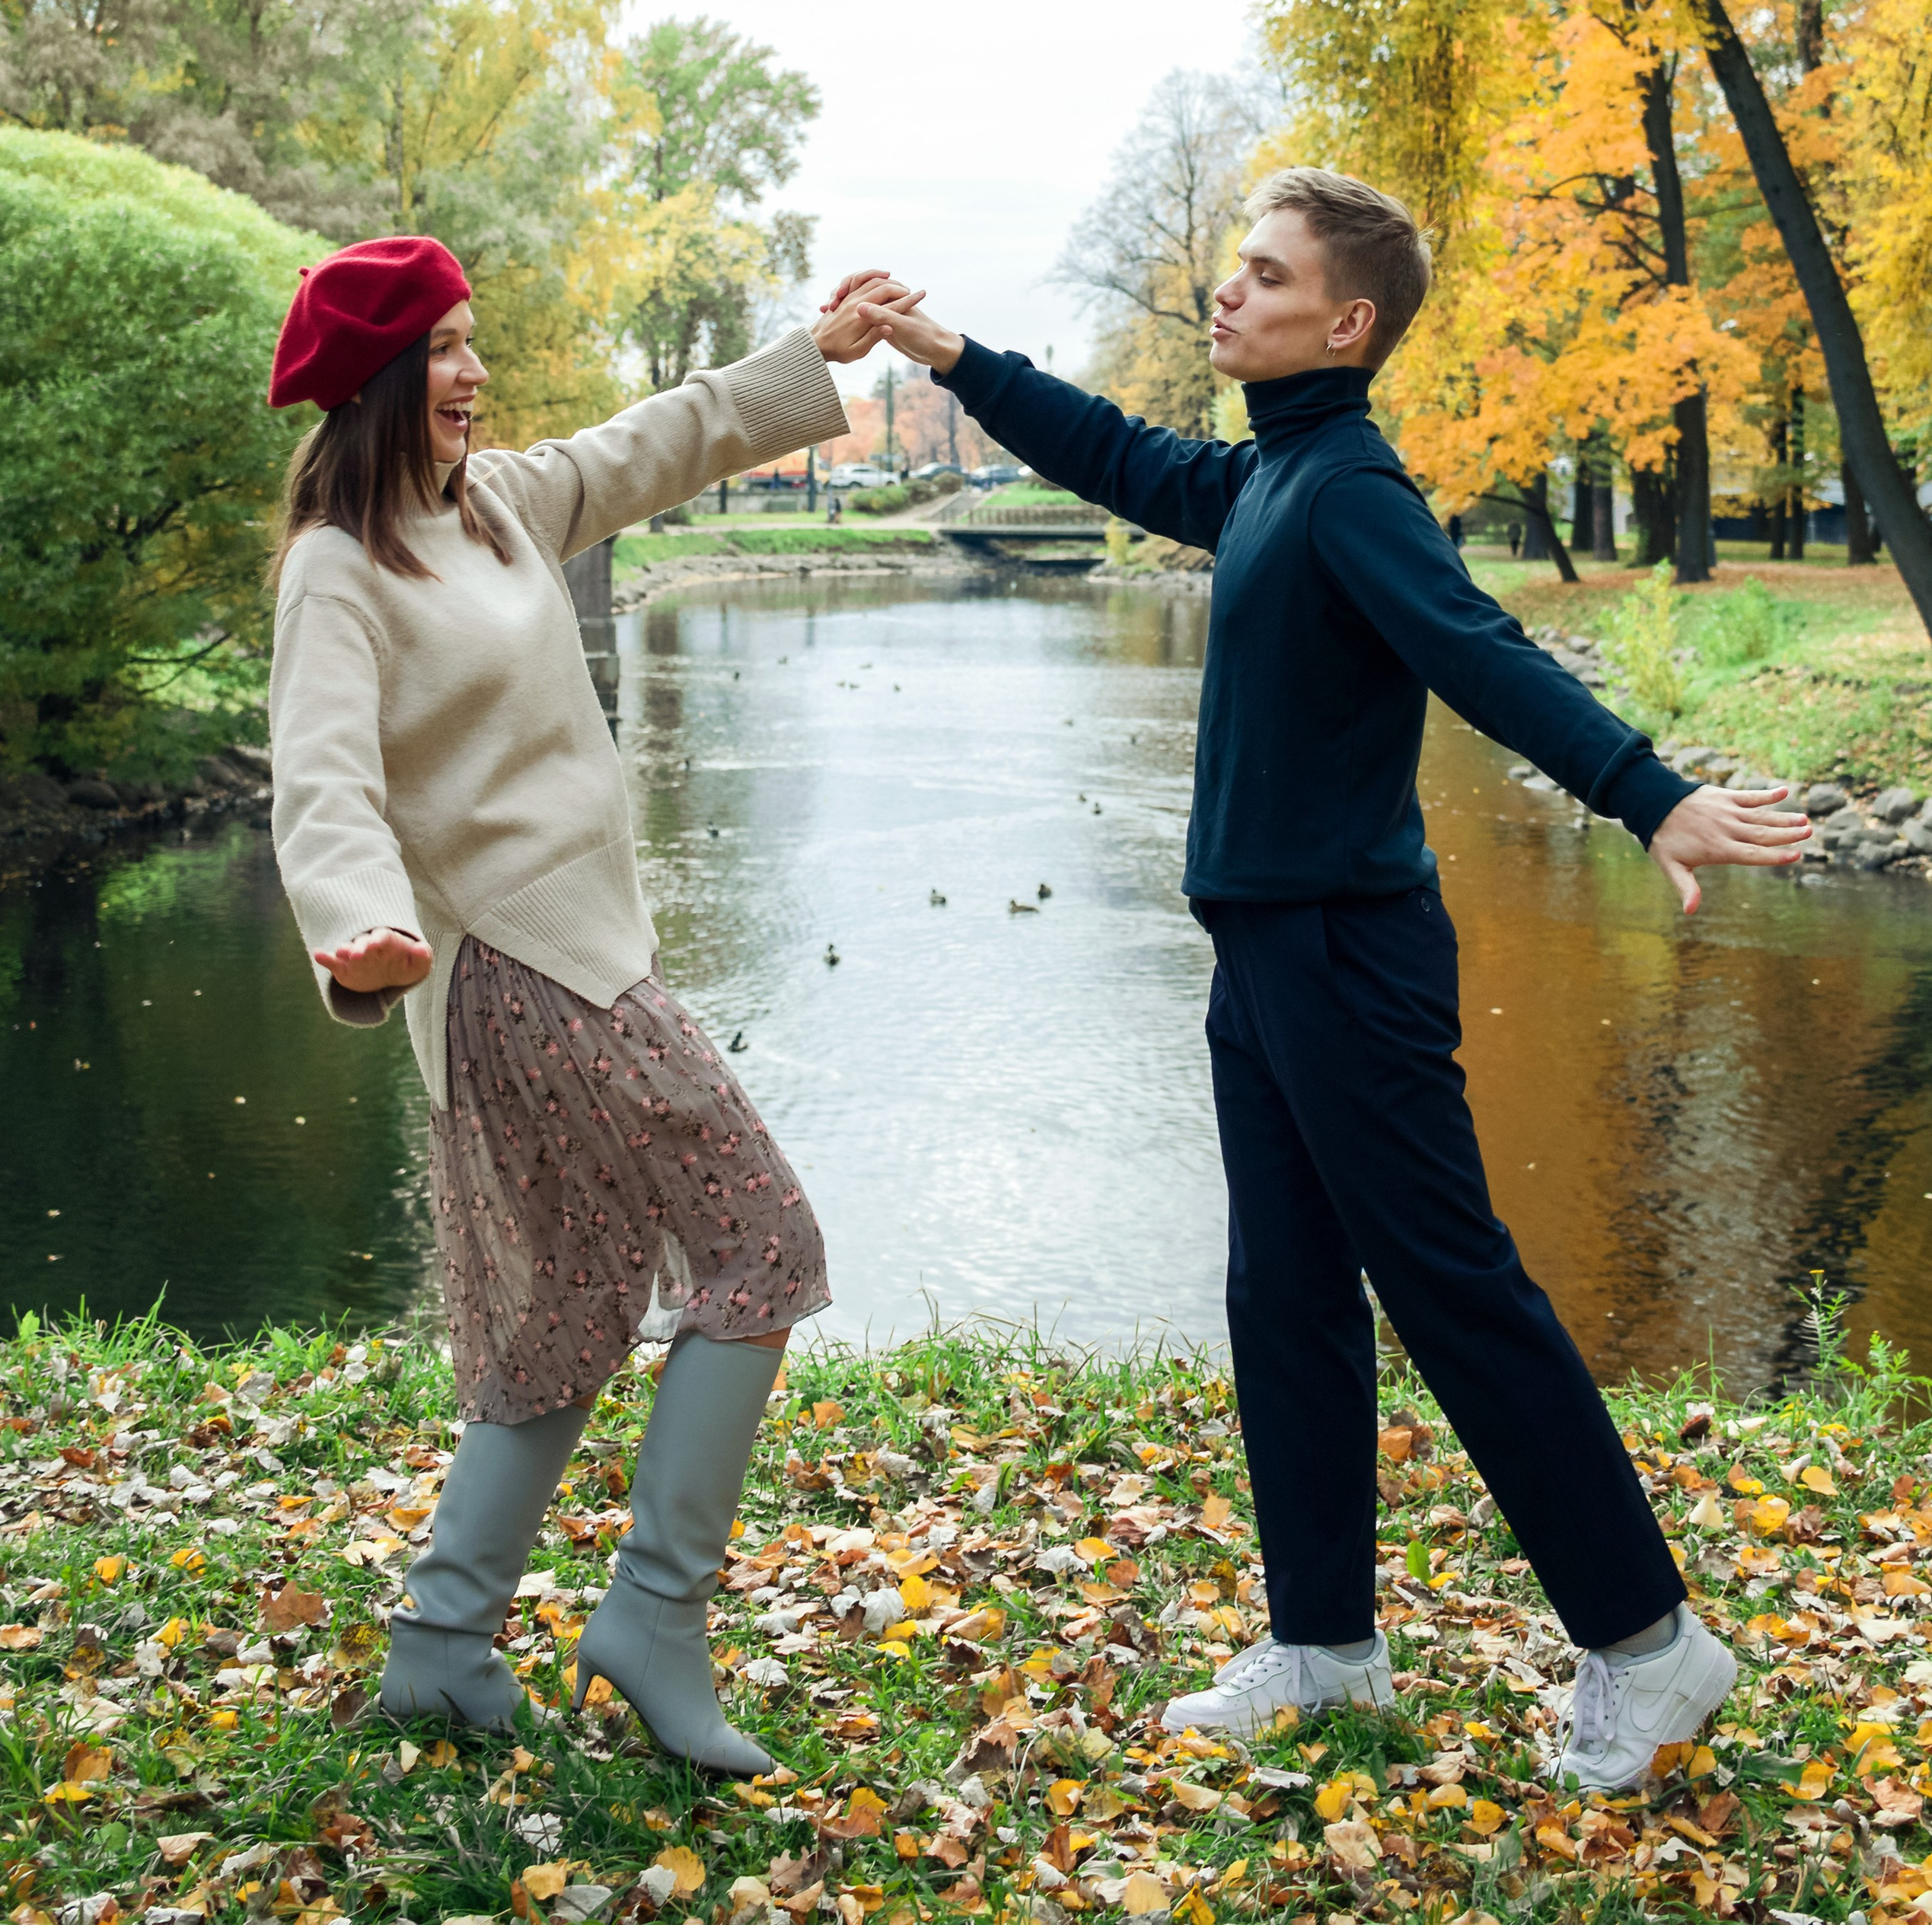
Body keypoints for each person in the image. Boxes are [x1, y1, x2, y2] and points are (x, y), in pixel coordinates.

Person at [848, 170, 1806, 1793]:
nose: (1226, 292)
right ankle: (1320, 1646)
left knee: (1451, 1291)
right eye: (1234, 268)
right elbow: (1117, 454)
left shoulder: (1350, 488)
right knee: (1279, 1295)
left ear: (1342, 320)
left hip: (1347, 958)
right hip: (1266, 945)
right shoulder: (1272, 471)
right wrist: (950, 352)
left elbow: (1474, 648)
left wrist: (1645, 793)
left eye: (1263, 274)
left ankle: (1649, 1649)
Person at [266, 234, 914, 1762]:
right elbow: (322, 780)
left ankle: (441, 1637)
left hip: (586, 953)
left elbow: (654, 442)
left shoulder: (496, 508)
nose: (472, 371)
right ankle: (653, 1616)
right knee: (763, 1245)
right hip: (517, 968)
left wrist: (807, 356)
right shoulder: (337, 572)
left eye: (473, 344)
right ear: (369, 384)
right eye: (439, 351)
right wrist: (357, 925)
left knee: (570, 1304)